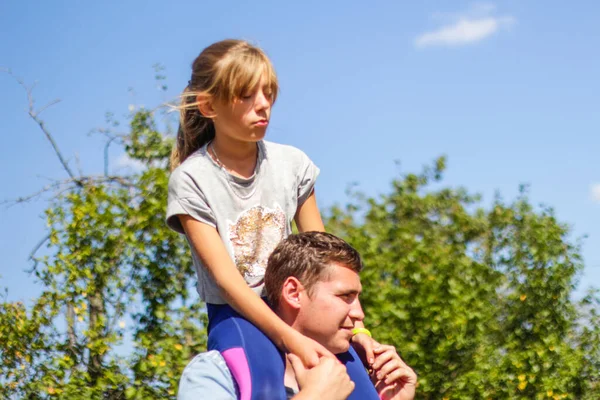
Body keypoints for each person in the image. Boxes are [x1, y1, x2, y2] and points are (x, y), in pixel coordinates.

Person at [166, 40, 376, 399]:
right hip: (236, 314)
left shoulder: (292, 164)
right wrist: (289, 338)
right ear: (209, 105)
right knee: (261, 387)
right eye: (246, 95)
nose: (263, 105)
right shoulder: (191, 180)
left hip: (296, 307)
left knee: (361, 390)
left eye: (268, 93)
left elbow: (327, 264)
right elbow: (228, 282)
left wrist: (358, 331)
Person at [177, 231, 417, 400]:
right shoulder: (215, 373)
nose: (359, 313)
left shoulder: (354, 382)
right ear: (293, 293)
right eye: (345, 296)